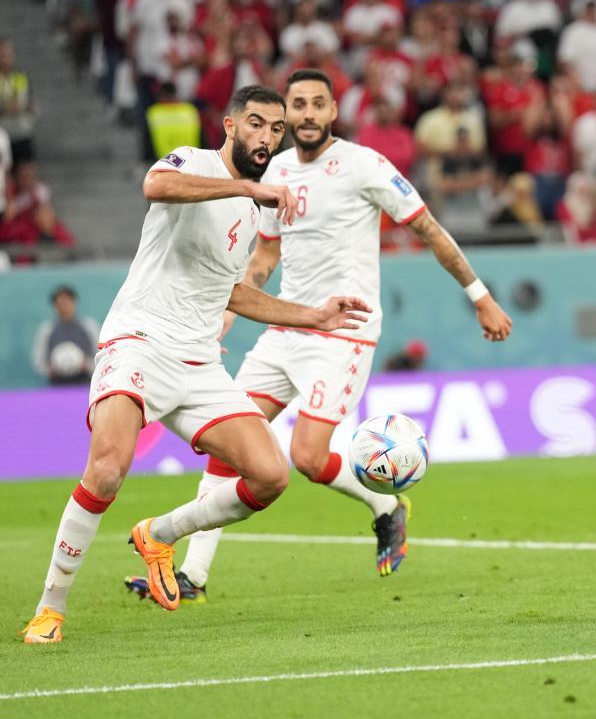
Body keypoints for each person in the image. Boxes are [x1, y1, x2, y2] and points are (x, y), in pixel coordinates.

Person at [125, 70, 512, 606]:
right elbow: (264, 256)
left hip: (344, 332)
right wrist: (226, 317)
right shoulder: (276, 170)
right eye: (298, 105)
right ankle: (193, 574)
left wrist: (480, 295)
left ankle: (385, 506)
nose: (307, 114)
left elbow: (426, 228)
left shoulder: (364, 165)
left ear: (333, 112)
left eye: (317, 104)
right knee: (227, 444)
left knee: (307, 457)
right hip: (286, 329)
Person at [20, 85, 372, 643]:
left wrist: (314, 316)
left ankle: (160, 534)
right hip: (139, 341)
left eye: (275, 129)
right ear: (230, 126)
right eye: (255, 123)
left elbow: (231, 291)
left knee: (270, 476)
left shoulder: (249, 213)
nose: (266, 136)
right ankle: (50, 607)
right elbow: (155, 185)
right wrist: (247, 186)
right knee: (107, 470)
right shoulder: (194, 163)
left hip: (199, 362)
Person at [32, 285, 100, 386]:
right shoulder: (47, 330)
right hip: (57, 385)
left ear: (74, 302)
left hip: (85, 384)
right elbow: (39, 361)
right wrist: (50, 368)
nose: (63, 306)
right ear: (55, 306)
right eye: (59, 303)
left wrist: (85, 364)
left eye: (67, 302)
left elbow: (100, 356)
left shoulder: (89, 327)